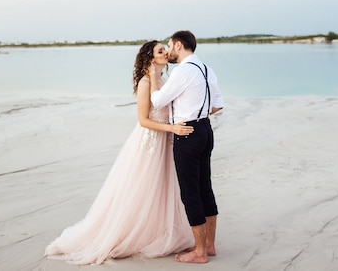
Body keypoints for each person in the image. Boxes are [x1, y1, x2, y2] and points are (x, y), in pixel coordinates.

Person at [44, 40, 195, 265]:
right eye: (160, 51)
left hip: (166, 142)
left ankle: (157, 232)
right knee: (143, 187)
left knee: (163, 188)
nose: (166, 53)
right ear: (151, 57)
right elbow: (144, 121)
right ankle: (129, 234)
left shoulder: (163, 80)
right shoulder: (146, 82)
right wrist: (172, 128)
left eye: (166, 49)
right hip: (150, 142)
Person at [148, 30, 224, 264]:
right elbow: (216, 106)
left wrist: (152, 76)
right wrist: (196, 110)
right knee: (205, 188)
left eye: (170, 45)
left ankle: (200, 252)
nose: (168, 50)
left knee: (190, 193)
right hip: (205, 130)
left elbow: (157, 100)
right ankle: (209, 245)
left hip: (187, 133)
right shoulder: (206, 68)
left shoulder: (182, 71)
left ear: (179, 45)